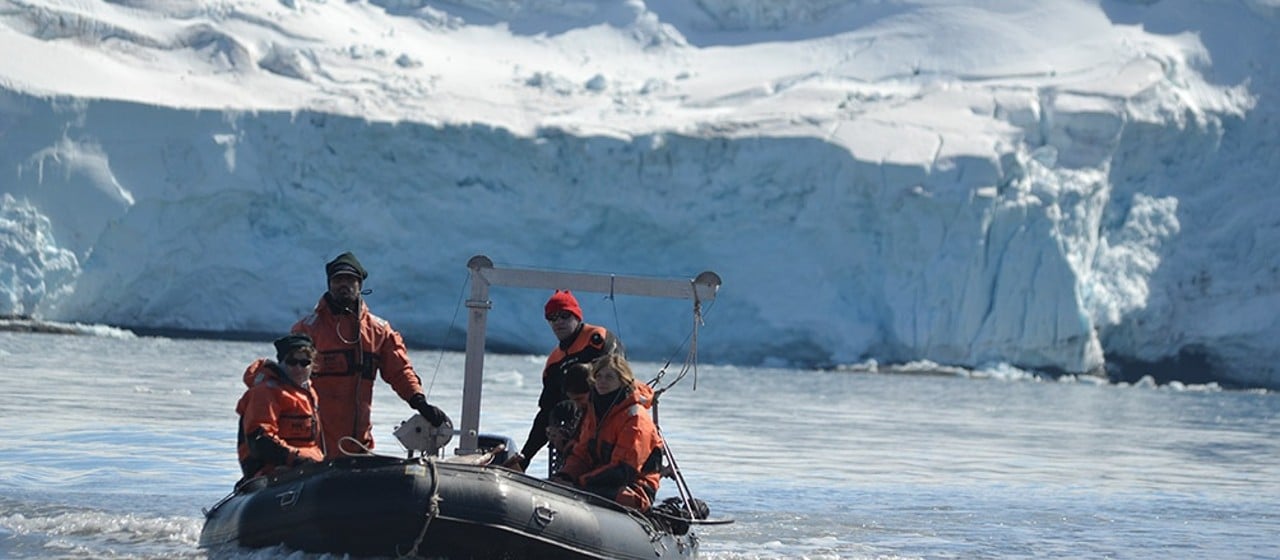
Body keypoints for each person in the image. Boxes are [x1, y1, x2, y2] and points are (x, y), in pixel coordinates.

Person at [292, 251, 447, 458]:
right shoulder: (307, 330)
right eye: (338, 279)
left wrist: (419, 402)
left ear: (360, 285)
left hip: (358, 445)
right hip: (315, 445)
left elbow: (399, 371)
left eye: (350, 279)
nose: (343, 284)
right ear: (329, 283)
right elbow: (287, 380)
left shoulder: (379, 331)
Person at [504, 290, 622, 471]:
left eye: (565, 316)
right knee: (555, 413)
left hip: (608, 423)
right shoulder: (554, 363)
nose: (559, 322)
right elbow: (545, 412)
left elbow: (612, 382)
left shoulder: (597, 340)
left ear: (576, 316)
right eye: (552, 318)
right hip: (574, 435)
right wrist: (525, 458)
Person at [553, 353, 664, 512]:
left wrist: (579, 483)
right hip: (594, 482)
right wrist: (565, 476)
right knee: (556, 485)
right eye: (599, 376)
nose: (602, 381)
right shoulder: (595, 412)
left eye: (609, 377)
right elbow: (581, 454)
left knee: (582, 492)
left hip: (632, 489)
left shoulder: (635, 418)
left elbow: (622, 470)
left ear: (622, 380)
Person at [235, 333, 324, 481]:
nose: (298, 368)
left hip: (308, 467)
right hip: (270, 471)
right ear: (281, 362)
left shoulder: (308, 393)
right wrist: (295, 458)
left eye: (304, 363)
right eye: (292, 361)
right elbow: (260, 440)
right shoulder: (265, 392)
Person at [545, 363, 591, 473]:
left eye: (580, 399)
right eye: (573, 400)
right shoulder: (578, 411)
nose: (577, 404)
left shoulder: (602, 412)